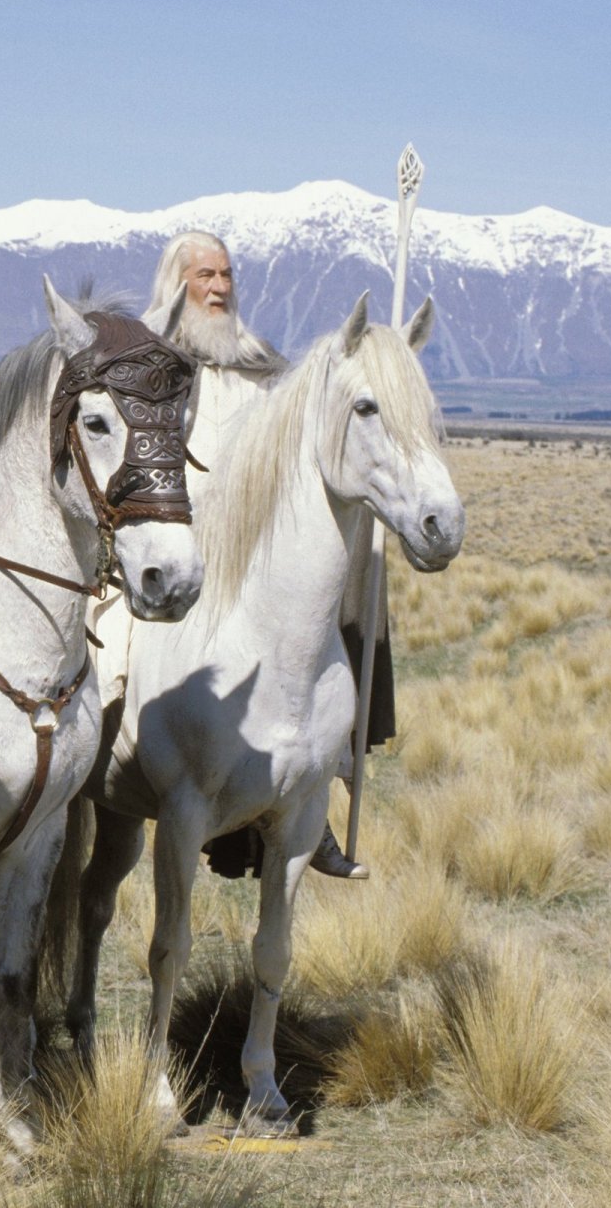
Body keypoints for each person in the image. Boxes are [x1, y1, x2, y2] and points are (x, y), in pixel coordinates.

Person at [144, 231, 382, 882]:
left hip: (254, 557)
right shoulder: (148, 361)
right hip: (167, 548)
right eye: (204, 276)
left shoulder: (260, 361)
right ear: (176, 282)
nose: (219, 287)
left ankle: (313, 791)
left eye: (225, 275)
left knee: (337, 582)